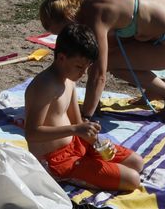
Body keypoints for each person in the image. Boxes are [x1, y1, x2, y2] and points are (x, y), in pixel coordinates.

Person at [40, 0, 165, 121]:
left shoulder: (95, 15)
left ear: (68, 16)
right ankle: (154, 90)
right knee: (111, 50)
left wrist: (86, 115)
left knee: (110, 62)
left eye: (63, 31)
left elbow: (99, 74)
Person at [25, 23, 144, 192]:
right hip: (56, 160)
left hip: (76, 144)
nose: (83, 73)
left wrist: (95, 140)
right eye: (79, 67)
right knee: (133, 179)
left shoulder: (69, 80)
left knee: (137, 162)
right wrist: (75, 129)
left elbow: (76, 121)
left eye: (87, 67)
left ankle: (91, 158)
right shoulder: (44, 86)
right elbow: (31, 133)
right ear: (61, 58)